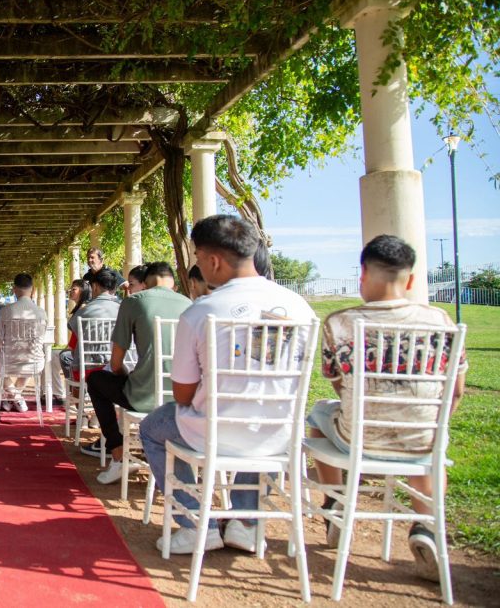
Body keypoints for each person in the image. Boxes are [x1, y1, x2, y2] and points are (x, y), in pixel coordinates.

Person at [138, 214, 316, 554]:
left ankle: (195, 524)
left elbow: (183, 394)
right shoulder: (300, 307)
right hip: (279, 435)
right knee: (258, 419)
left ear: (213, 261)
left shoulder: (201, 311)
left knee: (151, 428)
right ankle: (245, 523)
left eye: (197, 257)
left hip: (213, 432)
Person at [307, 235, 467, 580]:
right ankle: (426, 524)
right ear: (410, 280)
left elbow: (339, 385)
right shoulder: (441, 322)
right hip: (422, 438)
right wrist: (433, 428)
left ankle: (336, 501)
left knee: (319, 413)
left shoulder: (340, 322)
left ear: (363, 274)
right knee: (426, 447)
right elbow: (455, 391)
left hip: (358, 437)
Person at [84, 261, 192, 484]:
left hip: (144, 397)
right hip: (184, 399)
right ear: (173, 283)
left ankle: (117, 453)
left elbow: (115, 364)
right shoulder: (190, 305)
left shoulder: (134, 302)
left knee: (95, 379)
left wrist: (127, 378)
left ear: (146, 283)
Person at [51, 269, 124, 403]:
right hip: (119, 367)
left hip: (88, 369)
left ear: (94, 286)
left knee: (70, 359)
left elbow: (73, 345)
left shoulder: (84, 311)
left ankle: (80, 407)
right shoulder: (124, 309)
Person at [0, 273, 47, 412]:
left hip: (8, 362)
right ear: (32, 289)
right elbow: (42, 339)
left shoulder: (5, 311)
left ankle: (14, 398)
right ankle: (17, 398)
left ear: (14, 289)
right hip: (35, 362)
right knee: (31, 361)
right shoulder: (41, 313)